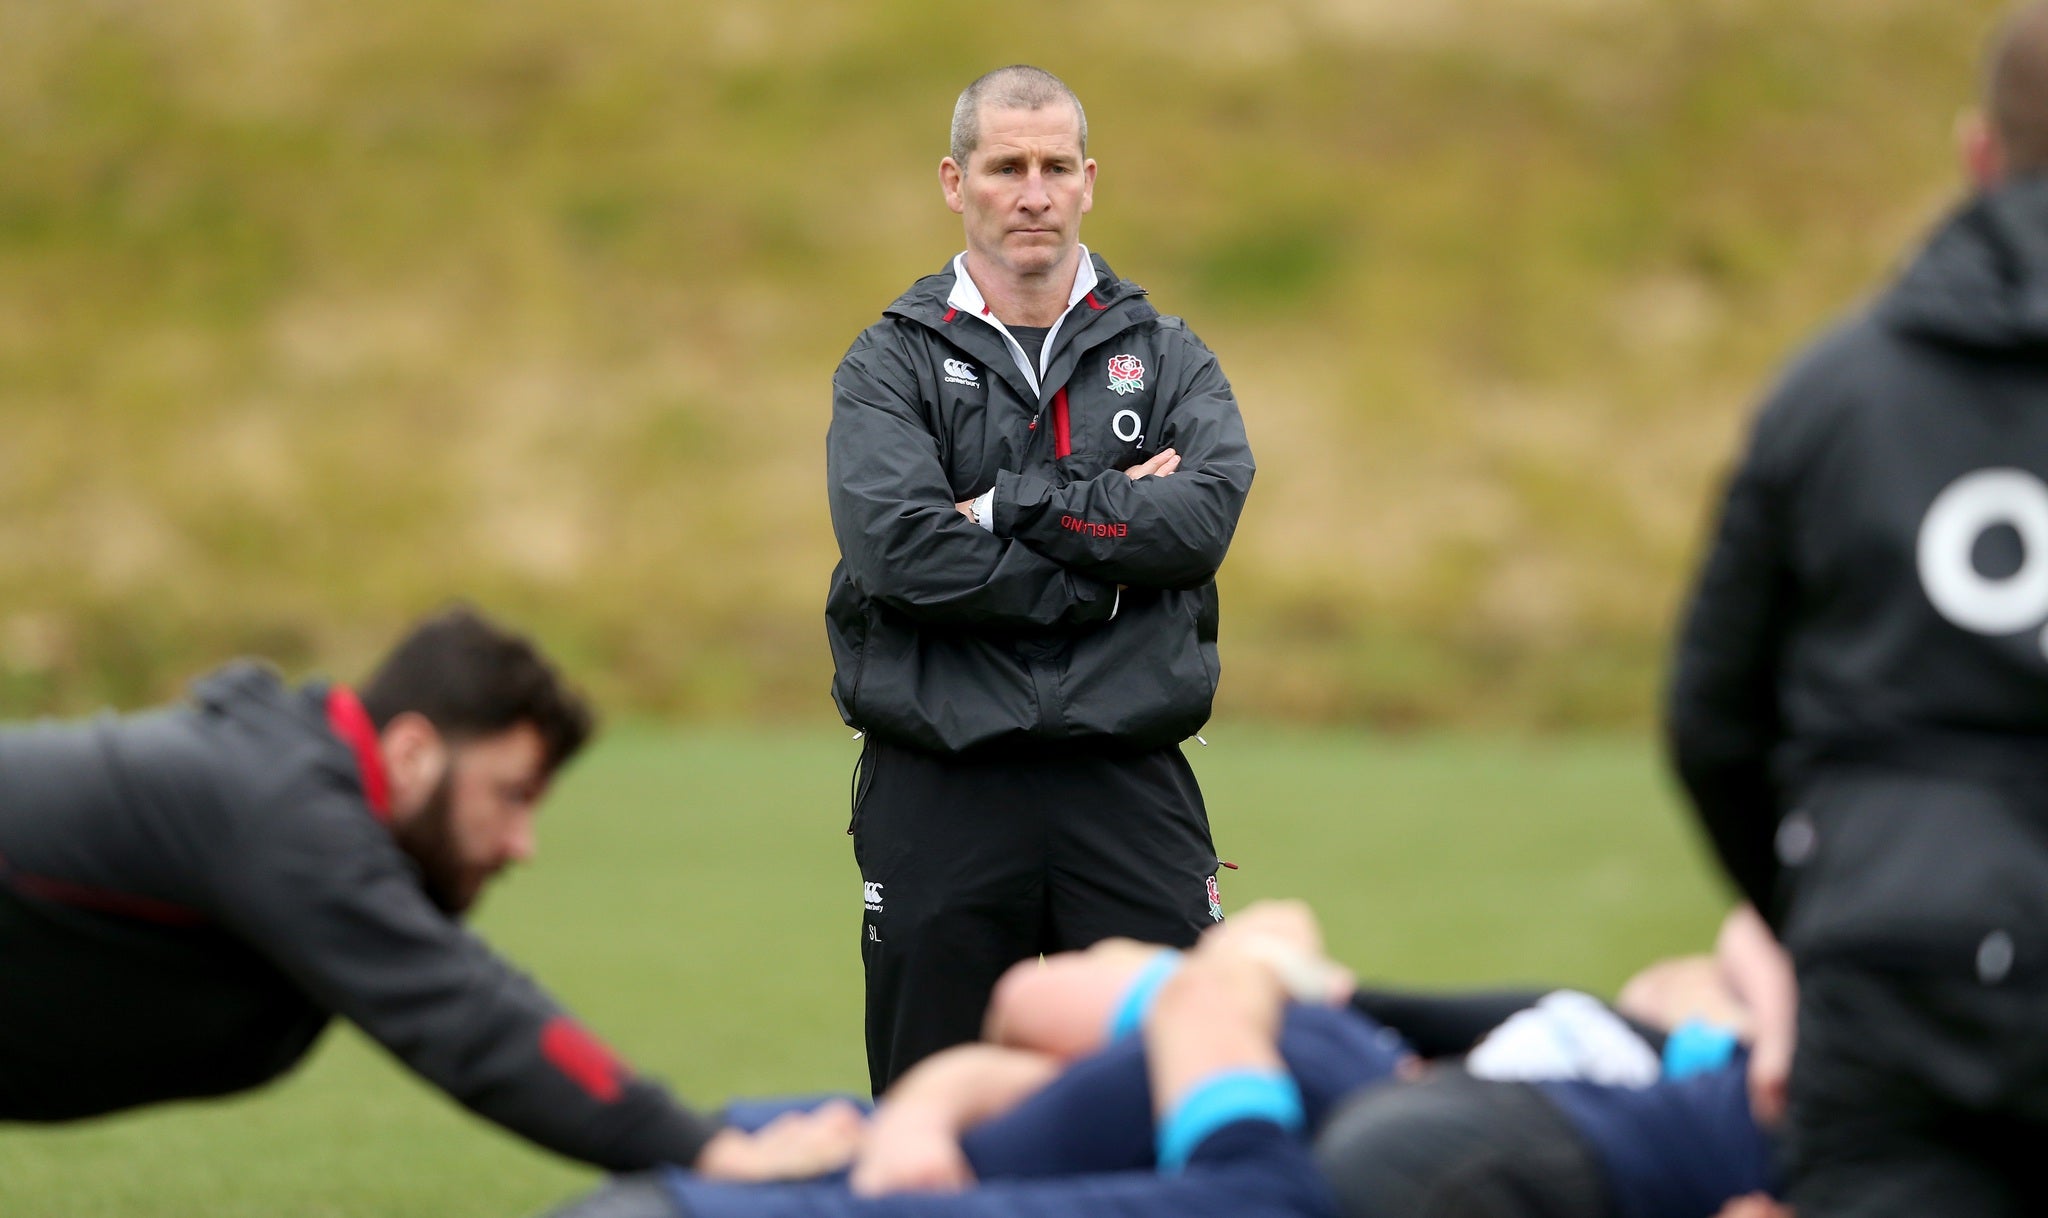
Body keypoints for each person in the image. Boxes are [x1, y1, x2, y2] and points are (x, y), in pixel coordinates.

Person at [0, 606, 852, 1180]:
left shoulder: (280, 781)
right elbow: (467, 1016)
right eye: (510, 796)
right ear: (410, 753)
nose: (523, 846)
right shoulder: (284, 809)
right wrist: (709, 1152)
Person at [1666, 5, 2048, 1212]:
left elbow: (1710, 714)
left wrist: (1833, 895)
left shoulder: (1835, 391)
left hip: (1893, 962)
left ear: (1977, 153)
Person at [825, 64, 1255, 1092]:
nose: (1031, 192)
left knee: (1180, 1090)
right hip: (942, 780)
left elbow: (1196, 524)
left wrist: (1013, 506)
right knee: (932, 1108)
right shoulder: (889, 361)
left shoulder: (1165, 356)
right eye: (1004, 166)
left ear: (1088, 180)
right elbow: (900, 553)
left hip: (1123, 778)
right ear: (952, 180)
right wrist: (1107, 565)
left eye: (1054, 166)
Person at [537, 902, 1791, 1218]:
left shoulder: (1646, 1101)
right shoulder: (1342, 1027)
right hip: (954, 1143)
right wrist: (920, 1110)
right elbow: (1040, 1011)